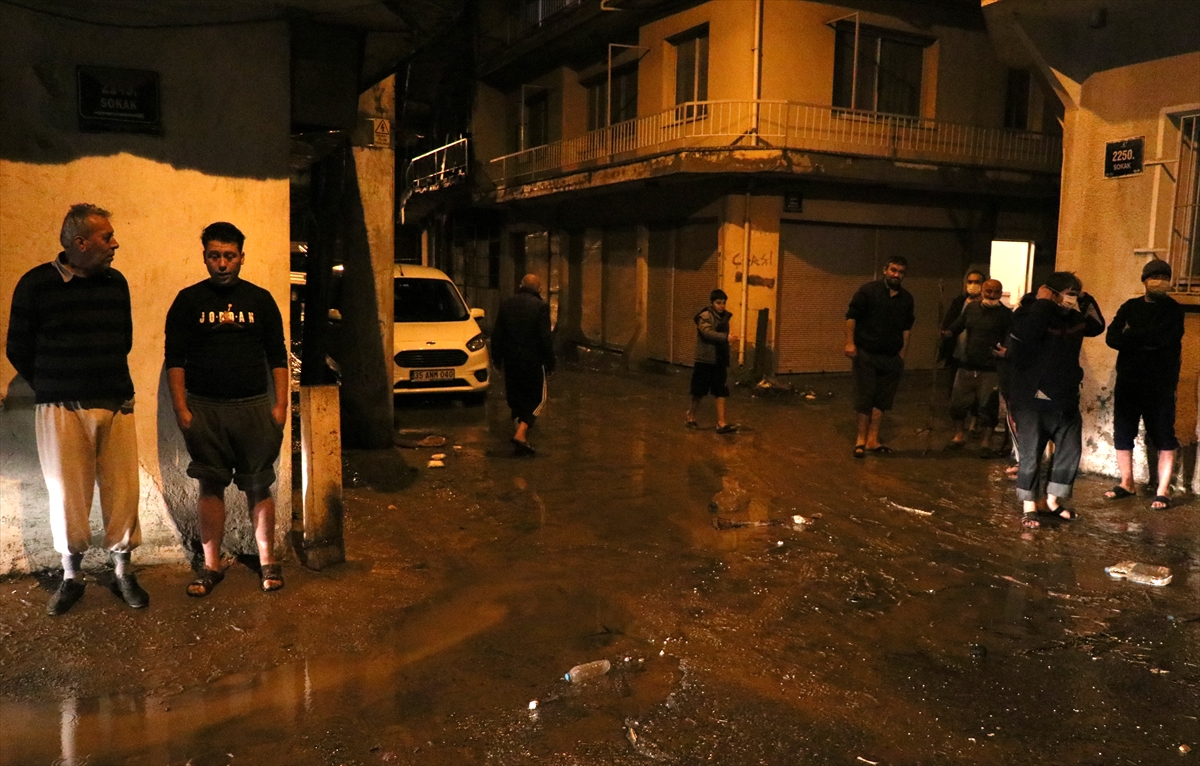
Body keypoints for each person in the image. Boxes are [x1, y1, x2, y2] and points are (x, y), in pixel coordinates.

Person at [5, 204, 148, 615]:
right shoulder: (36, 284)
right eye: (107, 237)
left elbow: (125, 339)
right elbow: (19, 347)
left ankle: (123, 571)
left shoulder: (115, 283)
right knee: (67, 495)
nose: (115, 244)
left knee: (124, 492)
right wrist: (55, 381)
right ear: (80, 243)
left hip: (115, 402)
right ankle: (72, 577)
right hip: (61, 406)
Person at [165, 222, 288, 596]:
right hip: (206, 408)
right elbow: (175, 359)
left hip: (253, 407)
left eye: (229, 256)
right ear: (204, 257)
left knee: (258, 484)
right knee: (209, 484)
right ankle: (211, 566)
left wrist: (281, 405)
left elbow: (278, 355)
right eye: (214, 256)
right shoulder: (188, 301)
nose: (222, 263)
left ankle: (268, 564)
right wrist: (182, 409)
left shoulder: (261, 300)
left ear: (241, 257)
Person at [1006, 271, 1105, 528]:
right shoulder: (1028, 312)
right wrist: (1043, 303)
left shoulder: (1075, 316)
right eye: (1069, 292)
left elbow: (1098, 325)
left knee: (1070, 451)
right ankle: (1029, 506)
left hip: (1065, 395)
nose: (1072, 298)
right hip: (1032, 396)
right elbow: (1027, 337)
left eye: (1076, 293)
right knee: (1031, 453)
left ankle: (1052, 501)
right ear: (1051, 292)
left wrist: (1084, 298)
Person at [1103, 259, 1185, 510]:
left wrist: (1133, 336)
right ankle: (1126, 482)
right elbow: (1112, 337)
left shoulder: (1174, 310)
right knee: (1123, 432)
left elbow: (1167, 339)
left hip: (1160, 383)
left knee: (1163, 434)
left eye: (1164, 275)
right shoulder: (1129, 306)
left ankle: (1163, 490)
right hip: (1129, 381)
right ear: (1144, 279)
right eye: (1154, 275)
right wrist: (1146, 339)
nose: (1159, 279)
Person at [845, 256, 915, 457]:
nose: (896, 274)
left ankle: (873, 440)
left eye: (901, 272)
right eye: (893, 270)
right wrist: (850, 343)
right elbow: (851, 317)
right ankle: (860, 440)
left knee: (882, 400)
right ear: (885, 270)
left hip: (891, 357)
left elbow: (907, 328)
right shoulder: (868, 291)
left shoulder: (906, 299)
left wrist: (902, 355)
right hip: (866, 352)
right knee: (865, 396)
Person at [943, 279, 1012, 454]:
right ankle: (959, 436)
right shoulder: (971, 308)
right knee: (957, 404)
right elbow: (958, 325)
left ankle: (985, 443)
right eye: (988, 291)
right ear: (982, 290)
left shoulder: (1006, 314)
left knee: (988, 407)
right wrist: (947, 332)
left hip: (990, 368)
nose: (991, 295)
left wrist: (1005, 353)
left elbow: (1009, 338)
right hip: (966, 364)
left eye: (996, 292)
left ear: (1000, 293)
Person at [491, 273, 555, 455]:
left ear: (521, 285)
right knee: (537, 399)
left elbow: (497, 335)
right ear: (539, 289)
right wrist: (550, 363)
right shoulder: (541, 307)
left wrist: (497, 359)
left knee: (516, 398)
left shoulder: (507, 304)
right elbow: (545, 338)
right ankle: (520, 433)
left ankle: (520, 434)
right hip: (533, 362)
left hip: (511, 361)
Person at [686, 288, 737, 433]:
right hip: (705, 359)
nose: (722, 306)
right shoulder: (705, 316)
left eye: (724, 303)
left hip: (719, 359)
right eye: (718, 303)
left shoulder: (724, 317)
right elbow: (707, 333)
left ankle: (721, 423)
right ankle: (691, 414)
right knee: (699, 391)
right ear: (712, 303)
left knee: (720, 391)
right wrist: (726, 338)